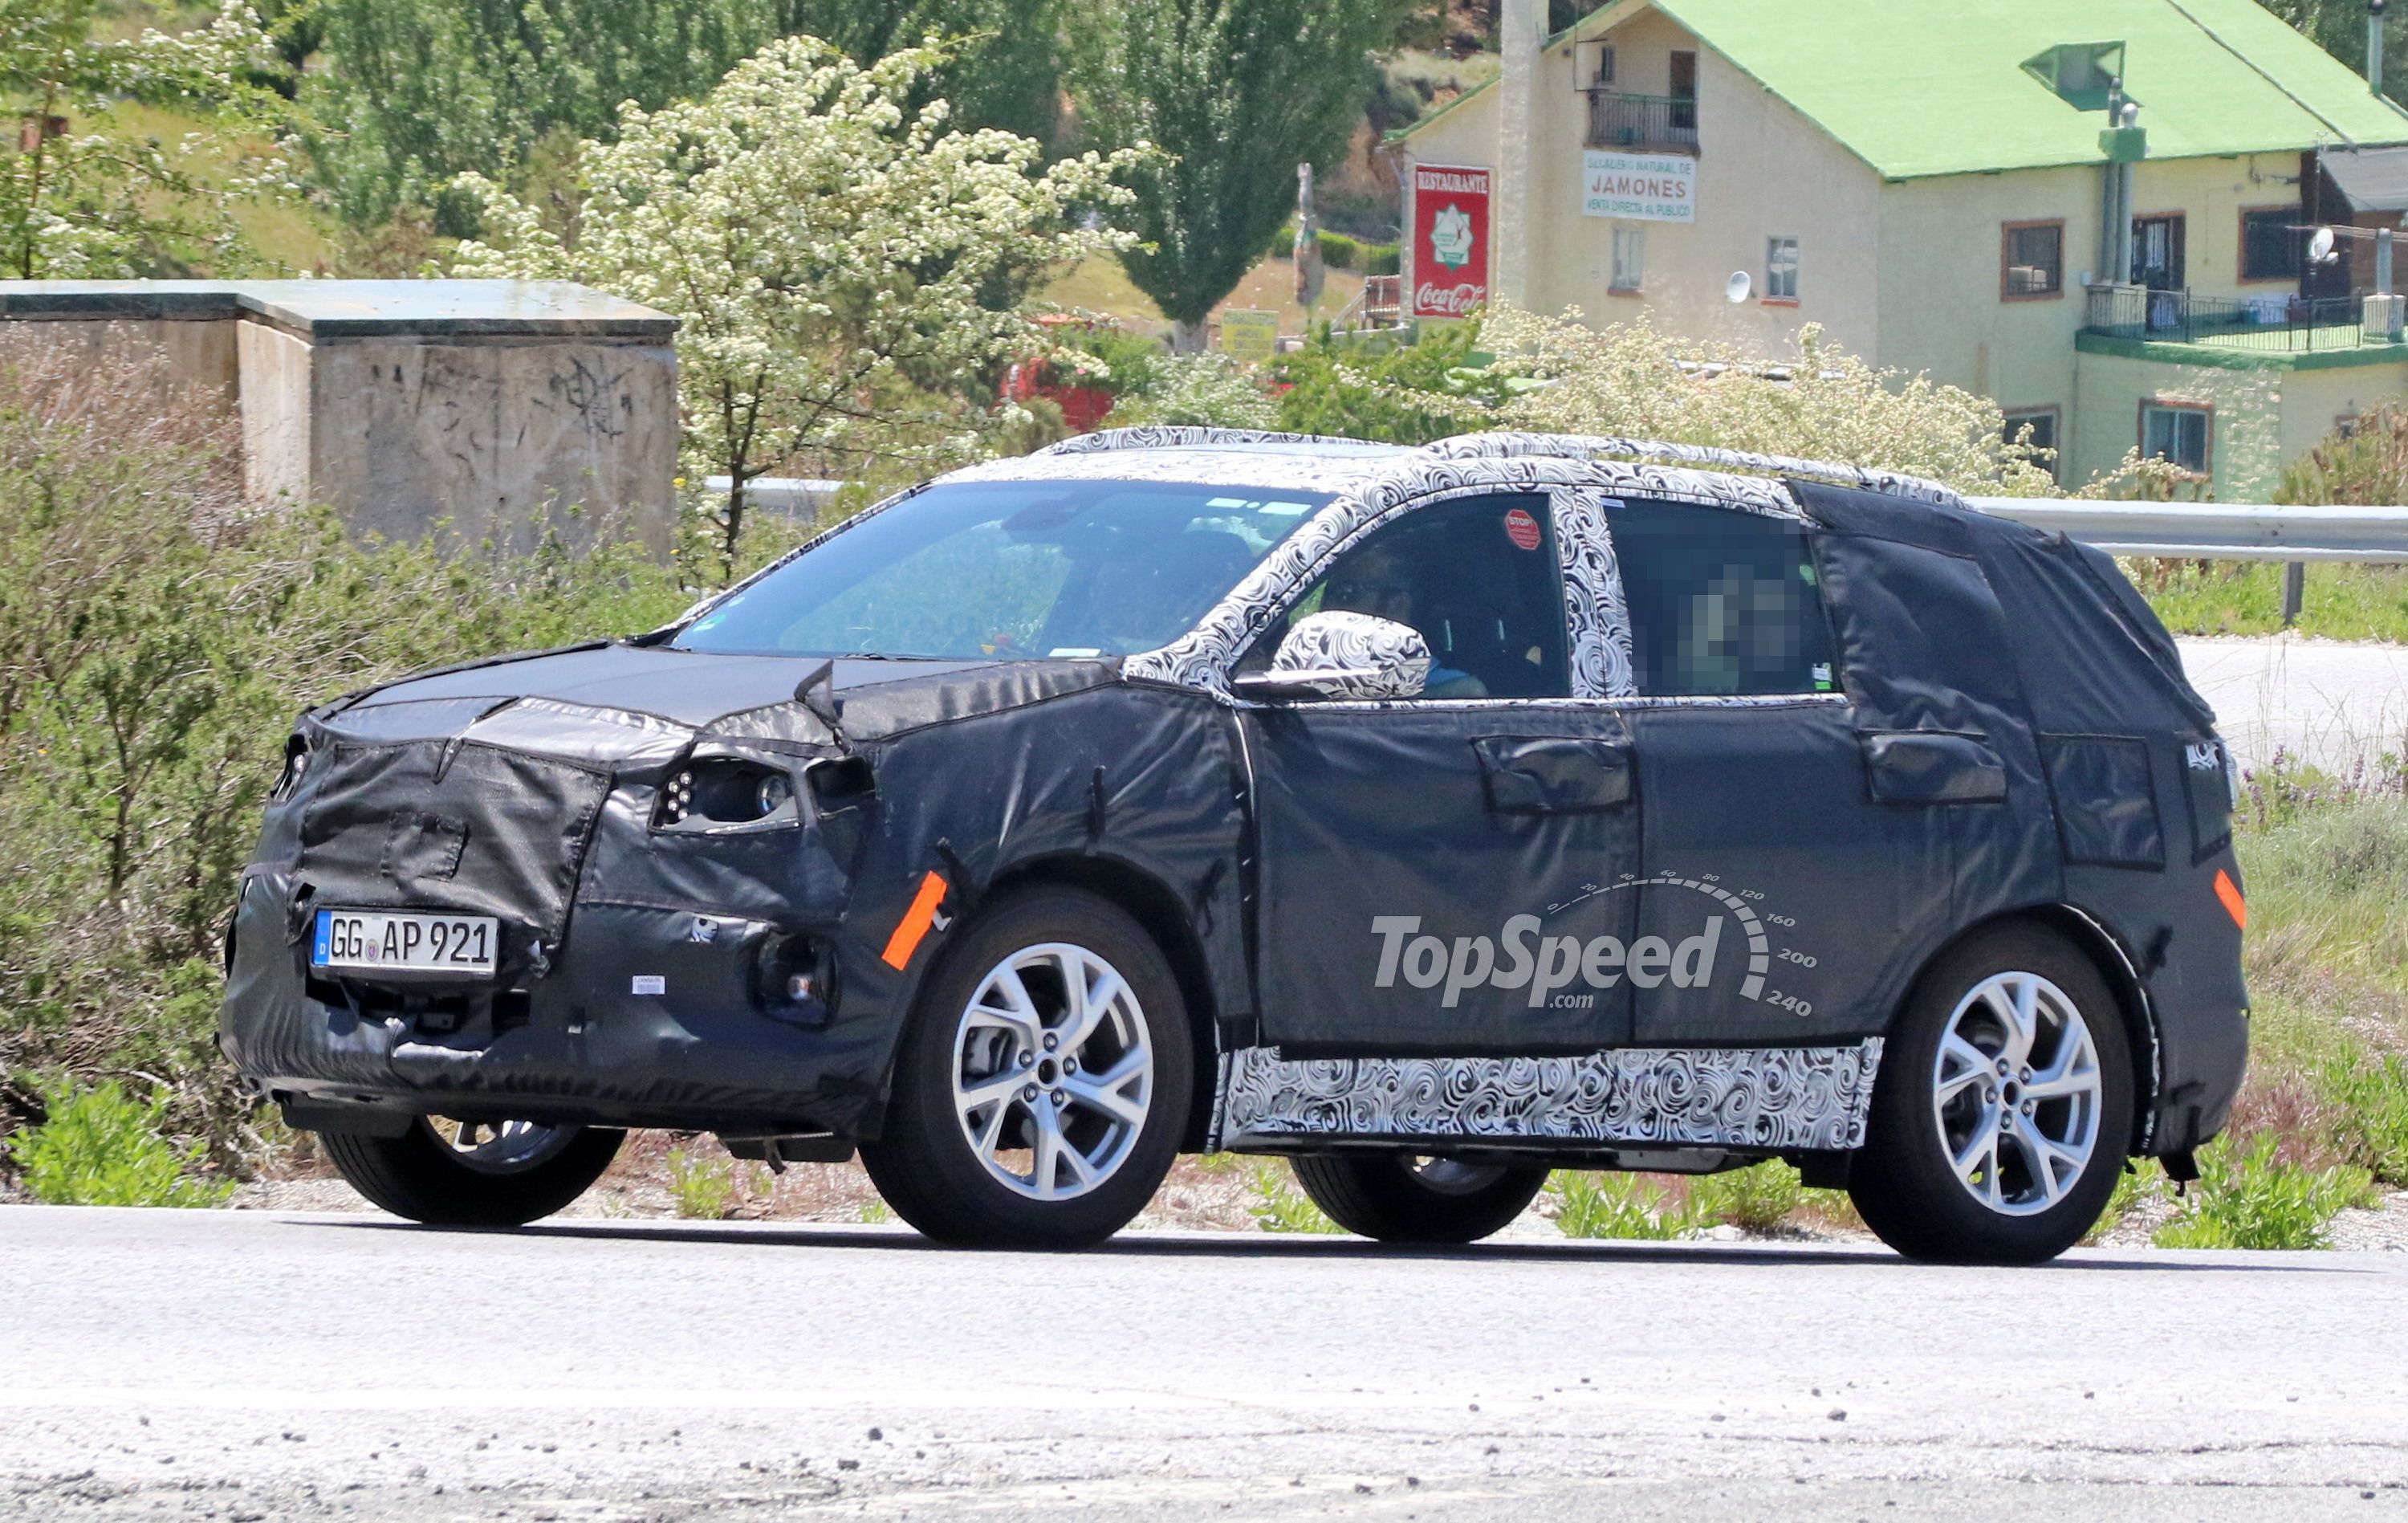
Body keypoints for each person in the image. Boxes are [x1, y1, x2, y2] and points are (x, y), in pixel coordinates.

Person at [1319, 542, 1490, 698]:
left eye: (1346, 592)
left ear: (1397, 605)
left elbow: (1472, 691)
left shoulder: (1453, 688)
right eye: (1328, 592)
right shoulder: (1323, 670)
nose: (1328, 606)